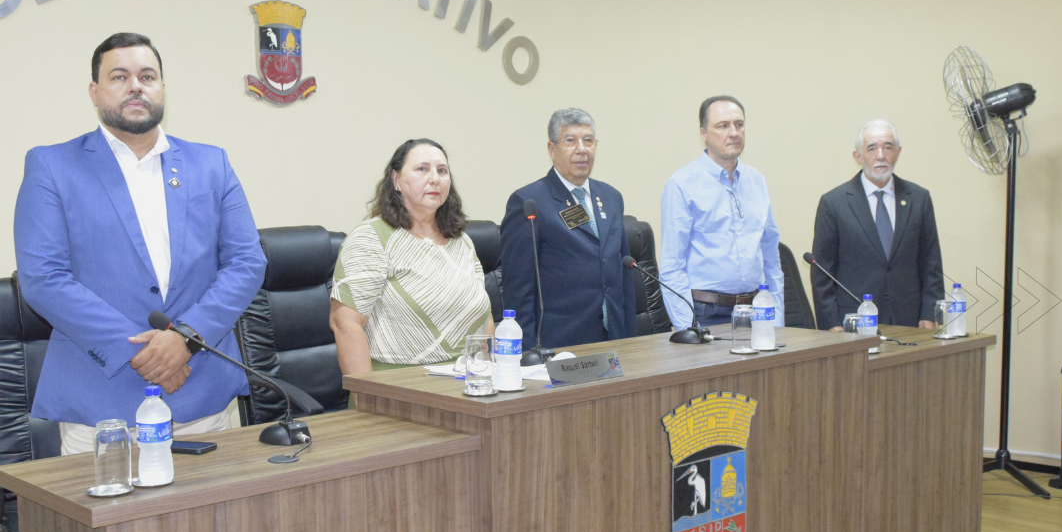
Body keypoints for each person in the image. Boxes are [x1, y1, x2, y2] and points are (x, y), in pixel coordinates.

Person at [13, 32, 267, 455]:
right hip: (101, 408)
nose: (136, 86)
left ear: (162, 87)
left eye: (147, 76)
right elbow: (43, 278)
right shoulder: (52, 166)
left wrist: (185, 339)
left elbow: (246, 262)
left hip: (202, 397)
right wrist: (144, 354)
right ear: (94, 91)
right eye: (119, 77)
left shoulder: (211, 163)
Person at [330, 138, 494, 372]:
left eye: (442, 171)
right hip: (400, 382)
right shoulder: (371, 238)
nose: (435, 178)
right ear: (395, 179)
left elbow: (485, 317)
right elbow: (345, 324)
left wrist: (489, 375)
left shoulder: (461, 241)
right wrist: (365, 390)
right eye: (422, 169)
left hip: (468, 379)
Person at [499, 108, 636, 351]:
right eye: (570, 141)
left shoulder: (611, 197)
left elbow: (623, 276)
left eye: (588, 140)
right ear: (552, 149)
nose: (581, 149)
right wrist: (527, 354)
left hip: (613, 339)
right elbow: (519, 290)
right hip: (560, 343)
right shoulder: (529, 202)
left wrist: (631, 340)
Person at [660, 95, 784, 330]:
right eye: (723, 126)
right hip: (706, 313)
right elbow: (672, 266)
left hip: (757, 310)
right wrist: (689, 327)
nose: (734, 133)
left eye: (739, 124)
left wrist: (776, 319)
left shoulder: (757, 181)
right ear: (703, 133)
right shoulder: (682, 184)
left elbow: (771, 258)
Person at [810, 120, 944, 330]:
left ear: (897, 153)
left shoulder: (919, 198)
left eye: (888, 147)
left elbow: (931, 262)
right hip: (853, 323)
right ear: (858, 156)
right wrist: (831, 324)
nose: (881, 156)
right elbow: (822, 272)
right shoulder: (834, 203)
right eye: (872, 148)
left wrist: (930, 312)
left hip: (909, 320)